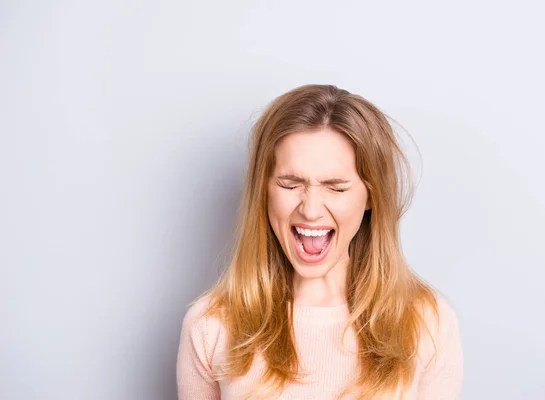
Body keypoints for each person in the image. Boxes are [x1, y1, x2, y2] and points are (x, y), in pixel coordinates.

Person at [176, 84, 463, 400]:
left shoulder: (427, 322)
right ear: (264, 191)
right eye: (290, 184)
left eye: (336, 188)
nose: (310, 210)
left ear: (371, 197)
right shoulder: (210, 325)